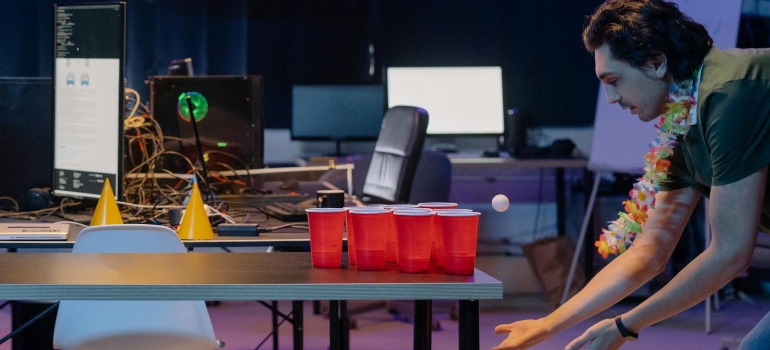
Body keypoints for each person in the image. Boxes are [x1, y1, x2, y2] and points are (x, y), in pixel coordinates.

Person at [493, 0, 770, 349]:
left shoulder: (728, 92)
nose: (611, 98)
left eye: (614, 80)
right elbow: (649, 251)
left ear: (656, 63)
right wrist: (548, 324)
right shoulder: (684, 117)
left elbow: (730, 252)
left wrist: (625, 325)